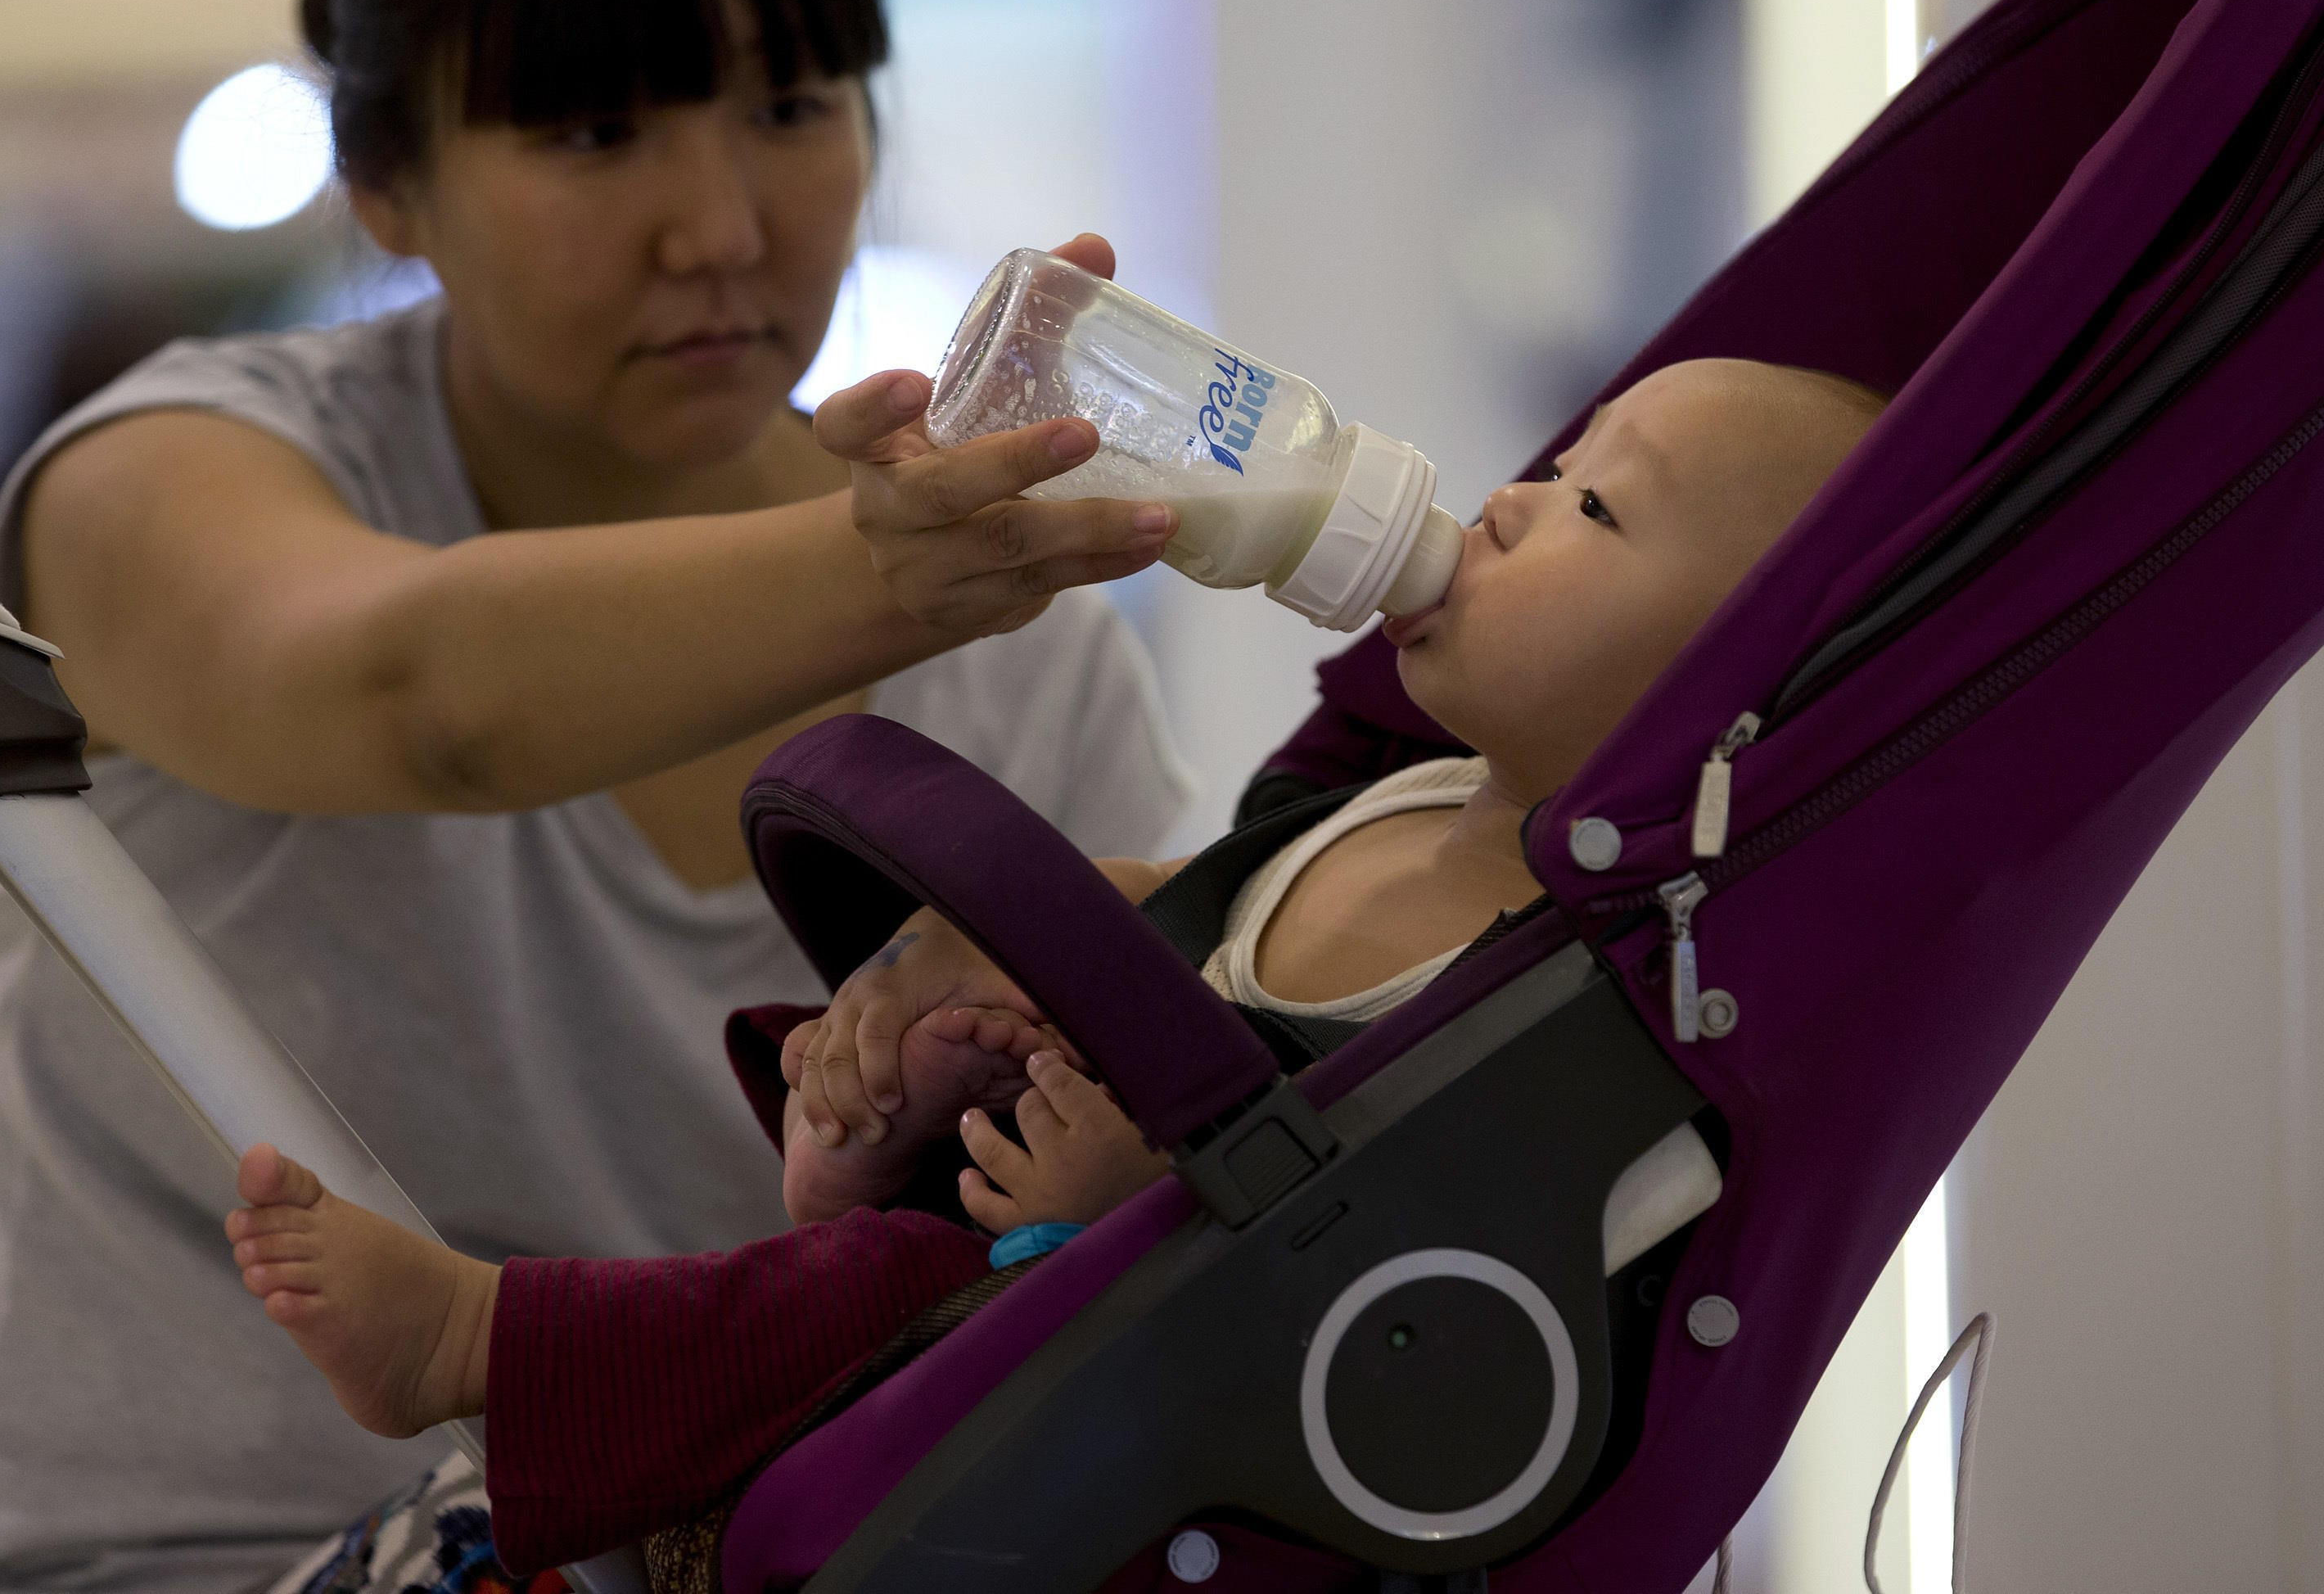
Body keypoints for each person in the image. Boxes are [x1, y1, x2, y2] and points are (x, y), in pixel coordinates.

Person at [0, 0, 1193, 1592]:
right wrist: (890, 578)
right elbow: (416, 693)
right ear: (387, 184)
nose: (720, 230)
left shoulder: (1029, 665)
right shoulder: (155, 486)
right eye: (593, 136)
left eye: (793, 106)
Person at [219, 357, 1886, 1579]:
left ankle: (476, 1348)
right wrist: (940, 988)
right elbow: (1136, 911)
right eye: (1565, 452)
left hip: (1137, 1386)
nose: (1513, 499)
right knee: (870, 1231)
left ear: (1725, 704)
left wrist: (1125, 1200)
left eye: (1598, 507)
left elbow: (1352, 1234)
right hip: (1003, 1285)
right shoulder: (1399, 800)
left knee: (883, 1295)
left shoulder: (1544, 996)